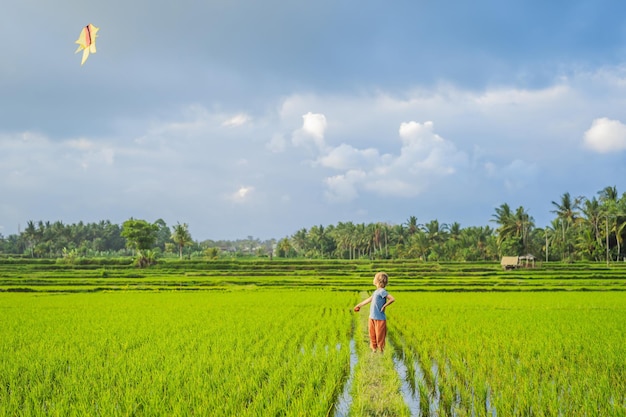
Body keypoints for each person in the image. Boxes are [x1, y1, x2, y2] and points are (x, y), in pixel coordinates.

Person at [353, 272, 395, 353]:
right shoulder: (376, 292)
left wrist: (384, 306)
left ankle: (381, 350)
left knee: (380, 335)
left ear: (379, 281)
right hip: (372, 317)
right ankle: (374, 349)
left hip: (380, 318)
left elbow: (392, 299)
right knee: (372, 334)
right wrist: (359, 305)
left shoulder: (382, 291)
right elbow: (369, 300)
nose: (373, 279)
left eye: (374, 277)